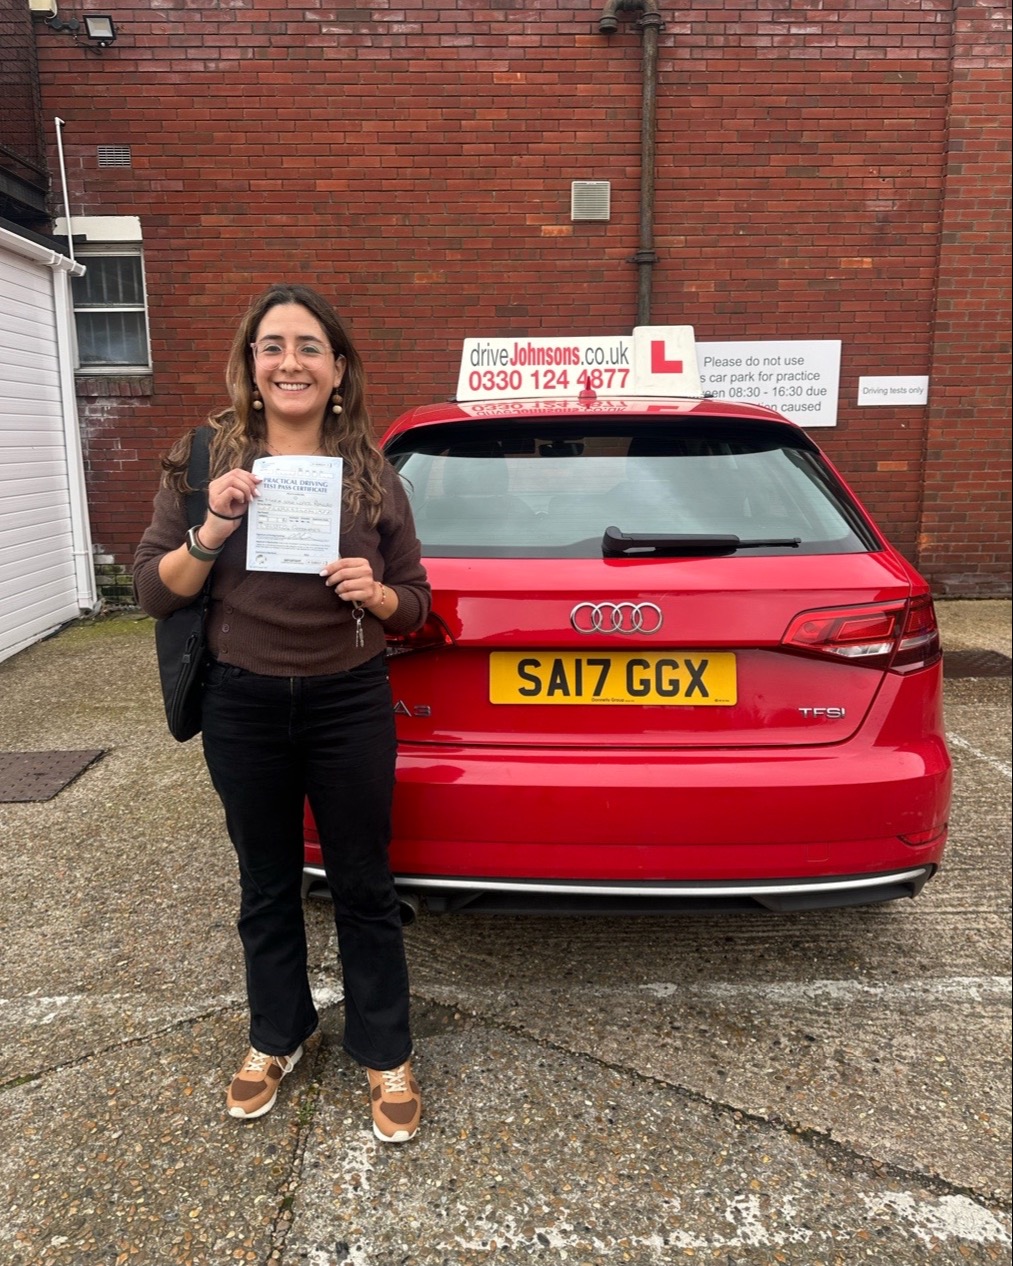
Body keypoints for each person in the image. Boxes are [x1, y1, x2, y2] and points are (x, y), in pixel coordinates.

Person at [133, 284, 431, 1143]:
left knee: (364, 885)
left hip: (347, 701)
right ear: (250, 366)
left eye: (309, 346)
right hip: (242, 702)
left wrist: (376, 593)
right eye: (272, 346)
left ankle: (385, 1049)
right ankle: (278, 1032)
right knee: (265, 884)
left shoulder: (373, 474)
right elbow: (156, 592)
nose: (289, 361)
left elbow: (416, 602)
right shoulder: (200, 465)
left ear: (338, 370)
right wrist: (214, 527)